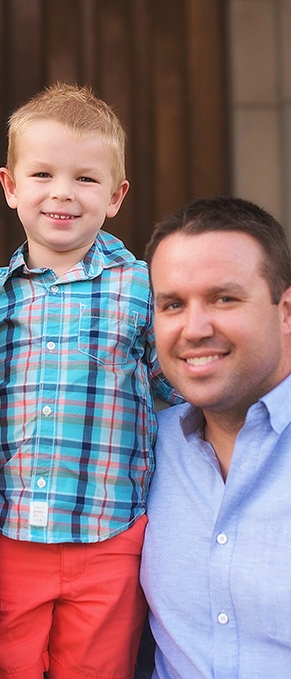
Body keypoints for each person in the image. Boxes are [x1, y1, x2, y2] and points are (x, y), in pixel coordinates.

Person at [0, 82, 181, 679]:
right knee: (9, 668)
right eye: (42, 175)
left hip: (110, 535)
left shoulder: (142, 291)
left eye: (85, 178)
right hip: (10, 533)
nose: (62, 193)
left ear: (116, 195)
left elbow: (179, 393)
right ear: (9, 187)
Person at [140, 196, 291, 678]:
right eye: (173, 305)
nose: (194, 328)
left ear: (285, 311)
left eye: (224, 298)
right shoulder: (141, 448)